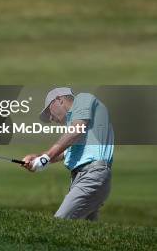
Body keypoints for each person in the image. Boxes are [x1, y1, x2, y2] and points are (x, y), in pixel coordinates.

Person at [22, 87, 114, 221]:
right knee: (84, 236)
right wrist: (37, 157)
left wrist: (46, 157)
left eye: (49, 111)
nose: (51, 118)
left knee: (60, 224)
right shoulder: (82, 127)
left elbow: (76, 130)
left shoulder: (83, 99)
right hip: (84, 179)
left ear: (59, 100)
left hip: (92, 176)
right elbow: (64, 153)